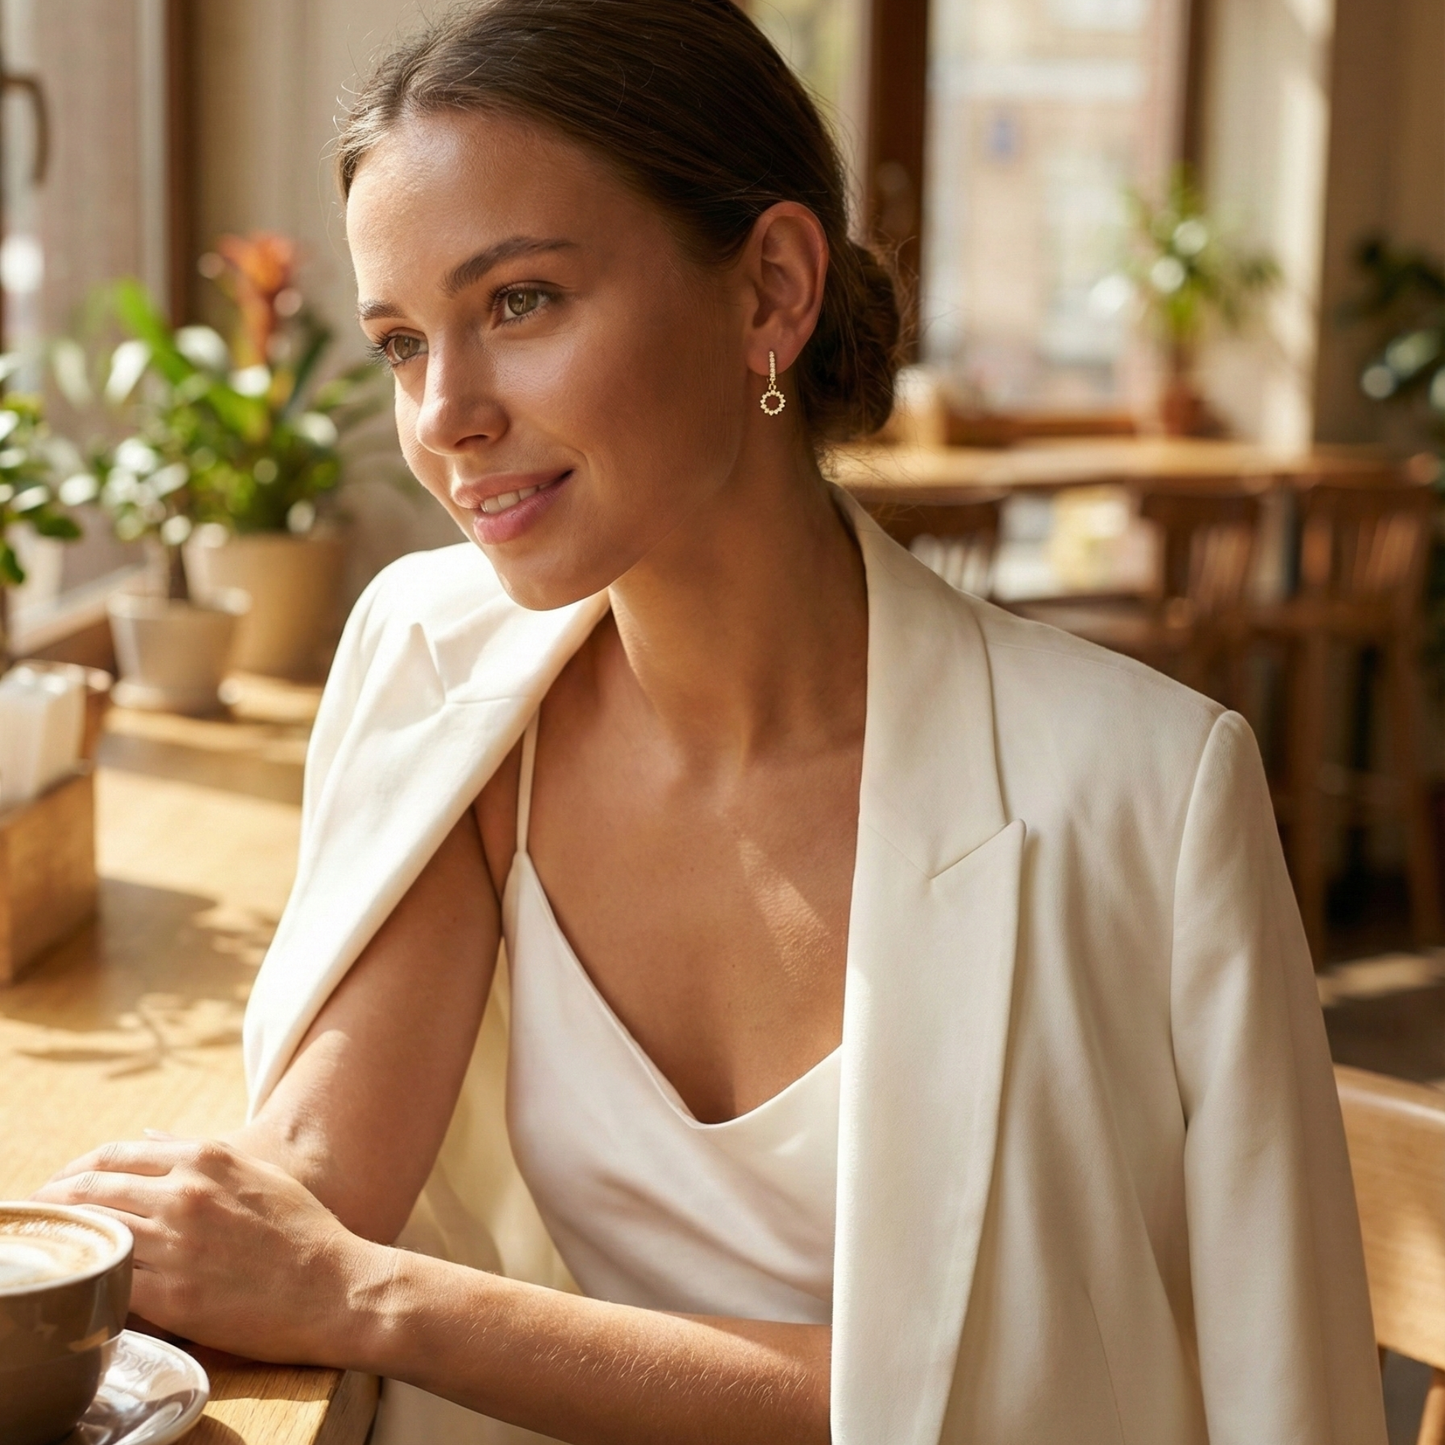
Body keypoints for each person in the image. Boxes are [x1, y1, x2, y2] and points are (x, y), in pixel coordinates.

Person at [38, 1, 1387, 1441]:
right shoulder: (441, 665)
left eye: (520, 302)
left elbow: (1110, 1395)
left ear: (769, 292)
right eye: (401, 341)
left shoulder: (1143, 794)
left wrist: (372, 1301)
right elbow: (316, 1182)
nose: (443, 414)